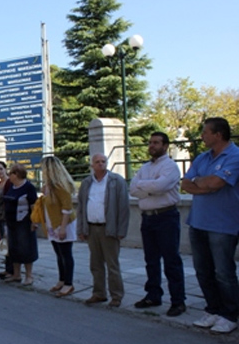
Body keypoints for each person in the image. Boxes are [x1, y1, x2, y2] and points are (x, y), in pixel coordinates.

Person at [181, 117, 239, 333]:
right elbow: (185, 184)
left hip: (223, 224)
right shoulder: (202, 157)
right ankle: (213, 309)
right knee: (203, 270)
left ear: (218, 135)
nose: (202, 136)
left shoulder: (235, 156)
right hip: (198, 222)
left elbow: (217, 183)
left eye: (205, 132)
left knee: (223, 271)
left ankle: (230, 314)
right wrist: (205, 184)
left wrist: (204, 183)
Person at [129, 132, 186, 317]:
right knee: (151, 260)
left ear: (165, 146)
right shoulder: (145, 168)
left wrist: (145, 187)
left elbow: (161, 187)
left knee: (171, 260)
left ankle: (178, 301)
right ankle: (153, 295)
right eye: (150, 142)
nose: (152, 146)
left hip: (166, 216)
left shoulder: (171, 167)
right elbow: (132, 189)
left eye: (156, 143)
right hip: (148, 218)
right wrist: (151, 187)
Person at [76, 154, 130, 308]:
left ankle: (116, 295)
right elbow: (81, 207)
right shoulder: (87, 183)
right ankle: (99, 293)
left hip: (109, 228)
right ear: (92, 165)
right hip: (92, 228)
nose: (100, 164)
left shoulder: (116, 181)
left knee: (112, 264)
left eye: (103, 162)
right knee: (95, 264)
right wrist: (81, 228)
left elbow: (123, 207)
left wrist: (121, 229)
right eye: (97, 162)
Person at [39, 156, 77, 297]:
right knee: (59, 253)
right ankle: (62, 280)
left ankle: (69, 283)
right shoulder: (49, 186)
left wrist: (62, 228)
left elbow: (67, 207)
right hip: (53, 223)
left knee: (66, 254)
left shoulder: (61, 185)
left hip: (63, 224)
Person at [2, 163, 38, 284]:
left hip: (24, 222)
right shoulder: (12, 187)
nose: (9, 175)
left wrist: (34, 221)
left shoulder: (28, 187)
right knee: (13, 248)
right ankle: (16, 274)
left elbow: (34, 206)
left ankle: (29, 276)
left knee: (26, 248)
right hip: (11, 222)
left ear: (16, 174)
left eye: (10, 173)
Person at [0, 161, 13, 279]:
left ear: (5, 169)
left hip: (7, 217)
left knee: (8, 243)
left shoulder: (9, 182)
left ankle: (12, 271)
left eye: (1, 169)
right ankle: (7, 269)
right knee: (3, 244)